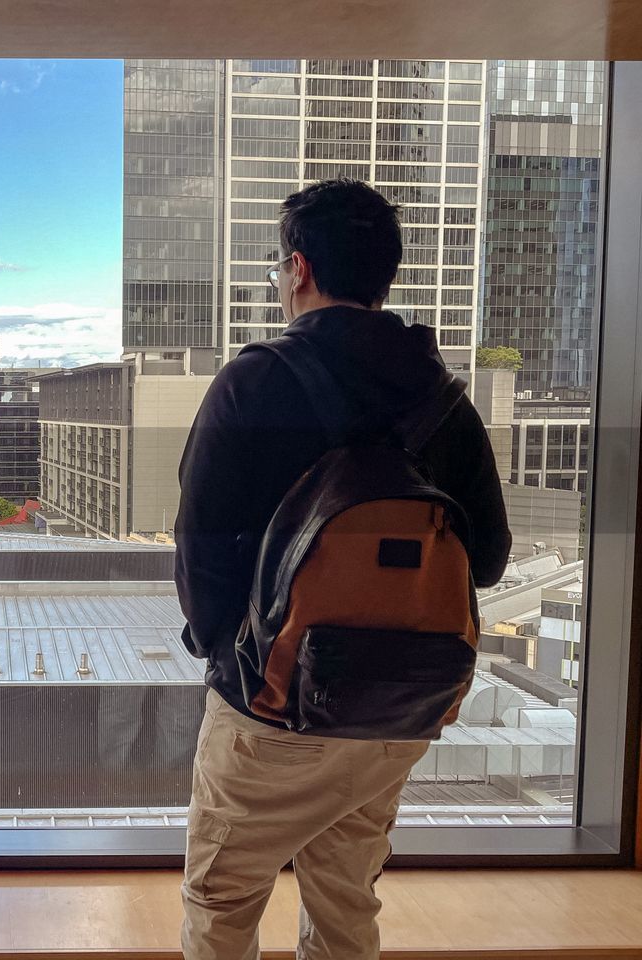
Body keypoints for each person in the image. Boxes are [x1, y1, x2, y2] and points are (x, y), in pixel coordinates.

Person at [174, 178, 511, 960]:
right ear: (383, 275)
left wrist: (231, 653)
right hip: (401, 706)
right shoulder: (445, 400)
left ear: (298, 269)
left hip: (273, 706)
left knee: (223, 903)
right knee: (344, 901)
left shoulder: (253, 381)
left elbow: (197, 553)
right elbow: (486, 562)